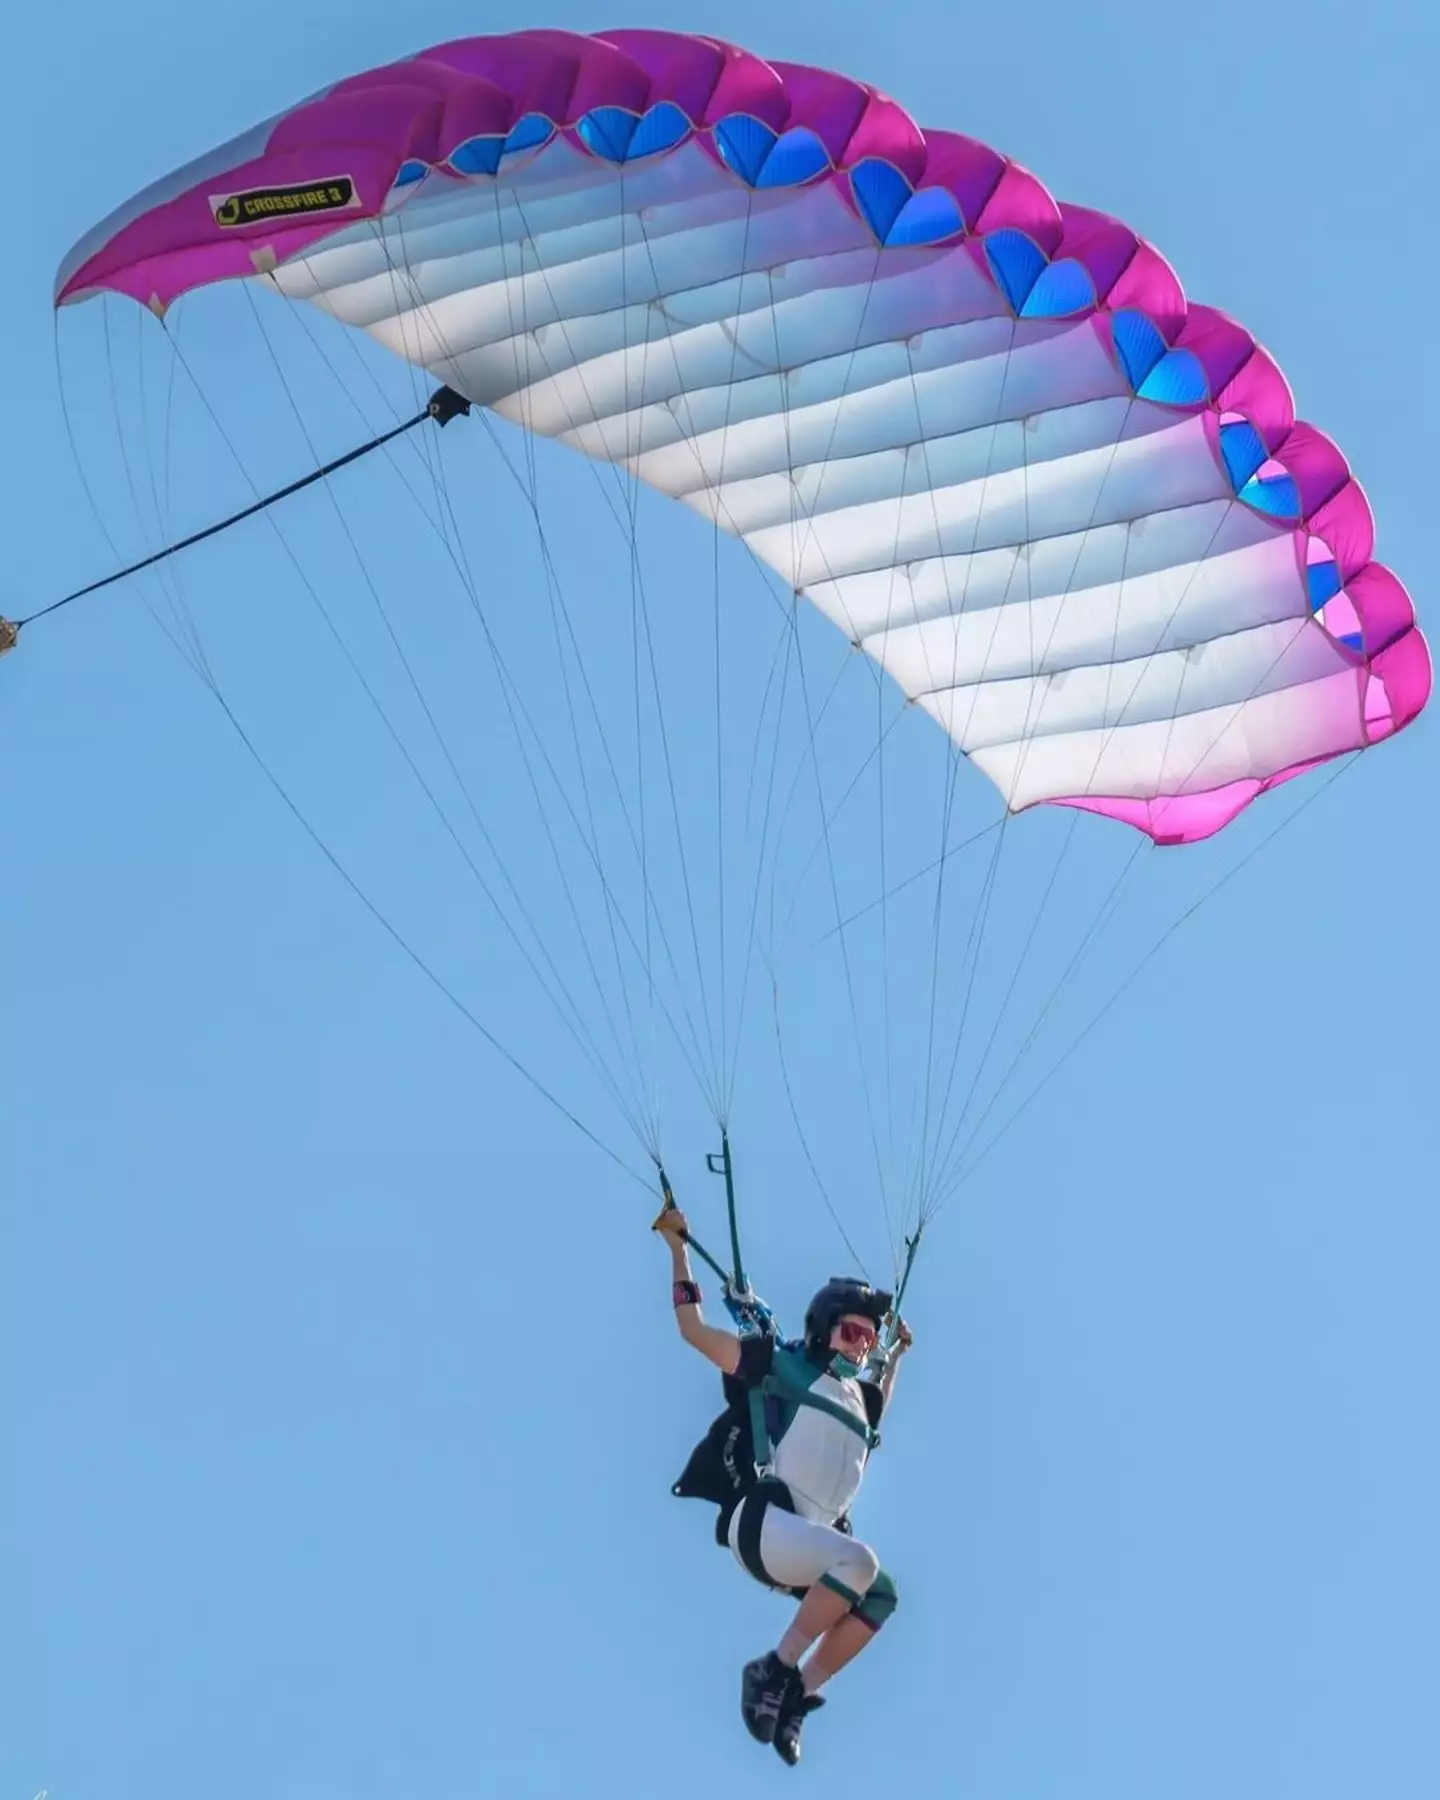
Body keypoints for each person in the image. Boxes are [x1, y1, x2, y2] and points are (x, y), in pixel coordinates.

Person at [656, 1208, 914, 1766]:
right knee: (860, 1564)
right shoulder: (783, 1366)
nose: (860, 1348)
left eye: (869, 1342)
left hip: (807, 1545)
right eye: (852, 1333)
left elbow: (882, 1391)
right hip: (764, 1525)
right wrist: (677, 1249)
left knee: (882, 1593)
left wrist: (895, 1355)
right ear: (825, 1328)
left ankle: (796, 1696)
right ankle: (772, 1670)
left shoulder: (863, 1402)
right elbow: (693, 1332)